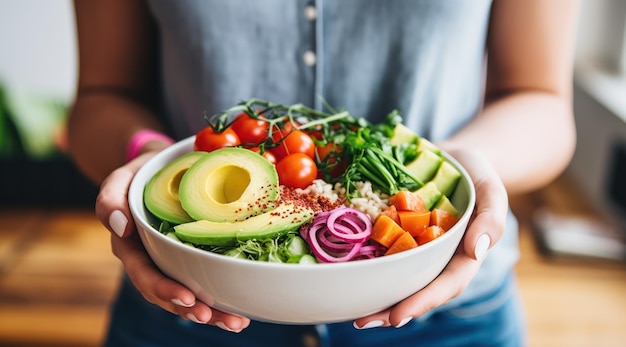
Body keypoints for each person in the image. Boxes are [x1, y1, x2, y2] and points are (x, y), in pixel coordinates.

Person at [67, 0, 579, 346]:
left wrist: (469, 163)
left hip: (447, 310)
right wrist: (150, 158)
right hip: (190, 299)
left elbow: (542, 100)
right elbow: (101, 97)